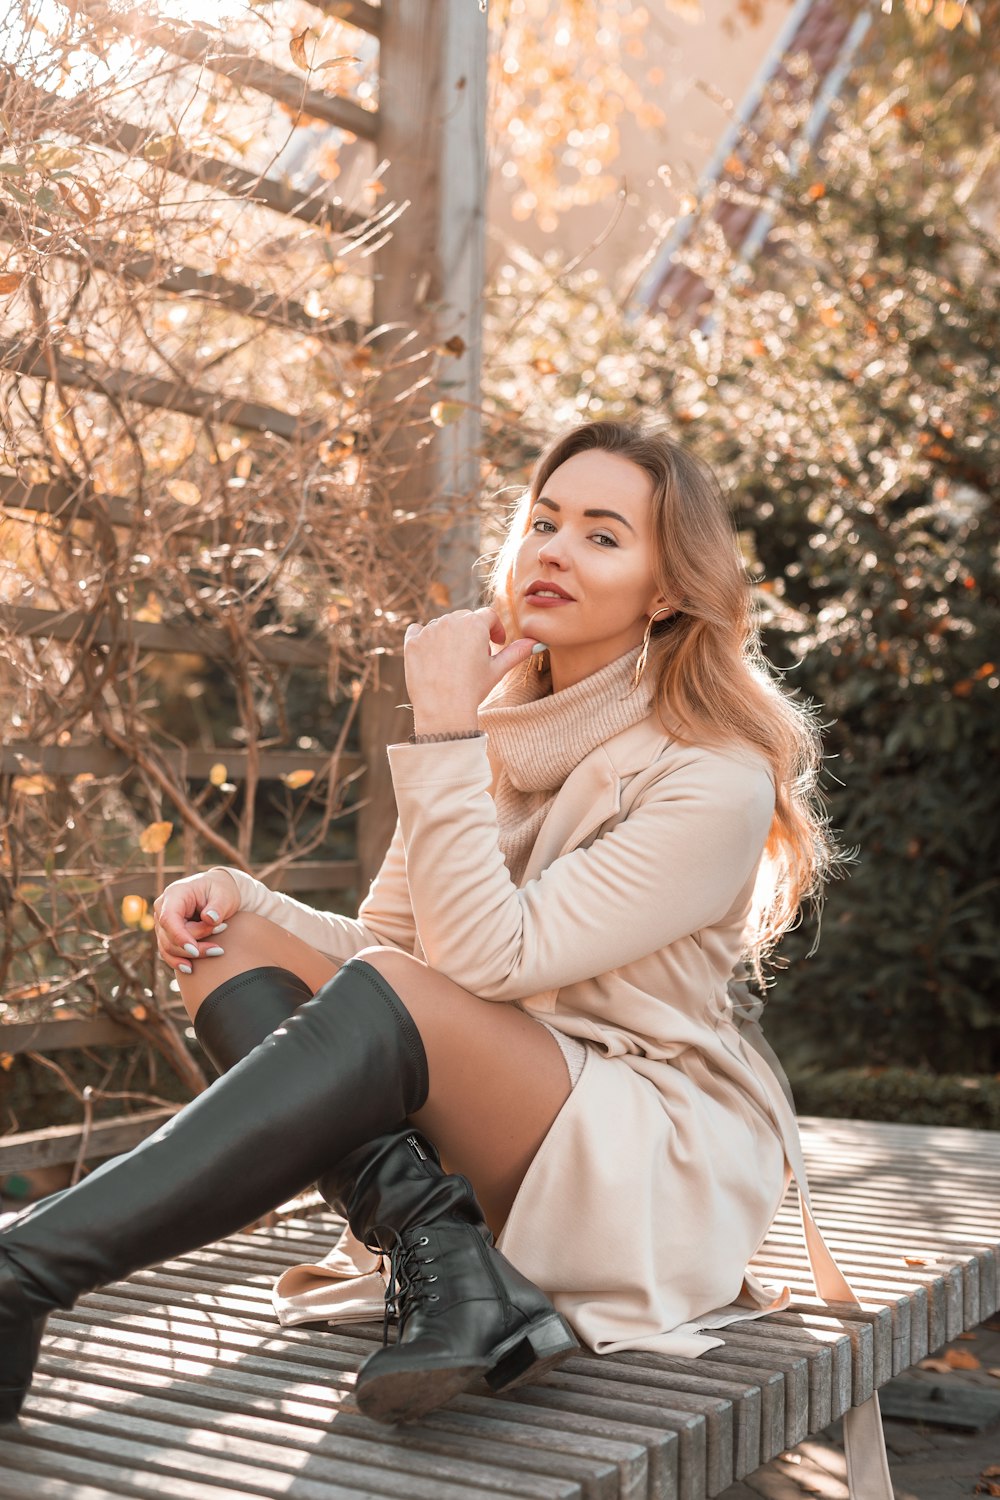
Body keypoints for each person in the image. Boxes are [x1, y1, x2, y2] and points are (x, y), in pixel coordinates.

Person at [0, 420, 892, 1496]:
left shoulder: (711, 775)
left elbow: (484, 960)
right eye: (544, 522)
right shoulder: (502, 728)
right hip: (493, 1099)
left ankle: (26, 1271)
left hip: (642, 1150)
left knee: (393, 992)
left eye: (603, 536)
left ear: (666, 591)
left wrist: (439, 733)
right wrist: (252, 902)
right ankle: (445, 1255)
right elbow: (394, 958)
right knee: (223, 941)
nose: (553, 550)